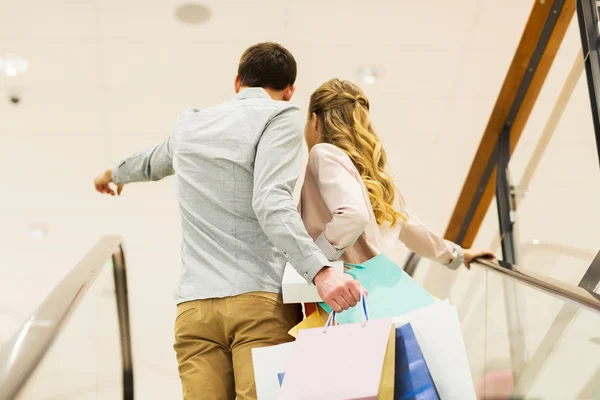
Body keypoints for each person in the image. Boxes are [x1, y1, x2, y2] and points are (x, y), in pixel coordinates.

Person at [93, 44, 365, 400]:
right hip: (258, 304)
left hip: (195, 311)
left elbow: (151, 161)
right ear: (289, 91)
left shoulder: (190, 124)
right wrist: (321, 271)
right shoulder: (280, 116)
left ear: (237, 82)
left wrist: (113, 173)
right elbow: (270, 201)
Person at [299, 78, 495, 278]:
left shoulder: (323, 154)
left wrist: (315, 259)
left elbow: (353, 215)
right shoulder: (368, 174)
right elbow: (408, 226)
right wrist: (458, 255)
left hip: (341, 291)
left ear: (314, 120)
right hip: (373, 286)